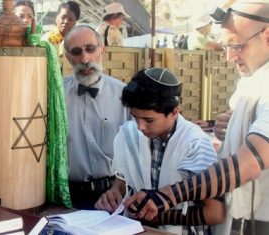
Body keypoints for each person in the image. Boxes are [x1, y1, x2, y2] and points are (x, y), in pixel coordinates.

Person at [123, 1, 269, 235]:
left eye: (237, 46)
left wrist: (166, 196)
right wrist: (225, 126)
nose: (229, 57)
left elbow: (252, 161)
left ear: (267, 35)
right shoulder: (253, 80)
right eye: (226, 47)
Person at [95, 68, 225, 234]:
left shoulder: (195, 143)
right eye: (135, 117)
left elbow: (215, 213)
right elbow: (122, 182)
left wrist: (160, 217)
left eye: (149, 120)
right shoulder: (127, 134)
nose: (140, 127)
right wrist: (113, 193)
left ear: (174, 112)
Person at [63, 25, 131, 209]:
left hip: (114, 195)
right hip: (68, 197)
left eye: (90, 49)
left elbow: (136, 150)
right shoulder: (56, 97)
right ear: (68, 58)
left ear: (102, 49)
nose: (85, 59)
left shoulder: (123, 95)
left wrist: (119, 187)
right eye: (76, 52)